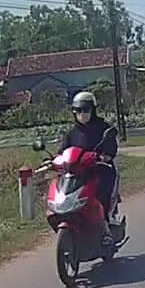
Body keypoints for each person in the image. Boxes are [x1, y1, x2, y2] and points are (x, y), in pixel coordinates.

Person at [59, 91, 120, 244]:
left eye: (86, 110)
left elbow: (111, 147)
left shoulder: (103, 128)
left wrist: (106, 156)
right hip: (78, 174)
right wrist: (54, 159)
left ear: (93, 110)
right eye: (78, 110)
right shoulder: (71, 133)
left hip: (100, 171)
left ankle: (106, 227)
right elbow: (62, 151)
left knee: (102, 193)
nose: (82, 114)